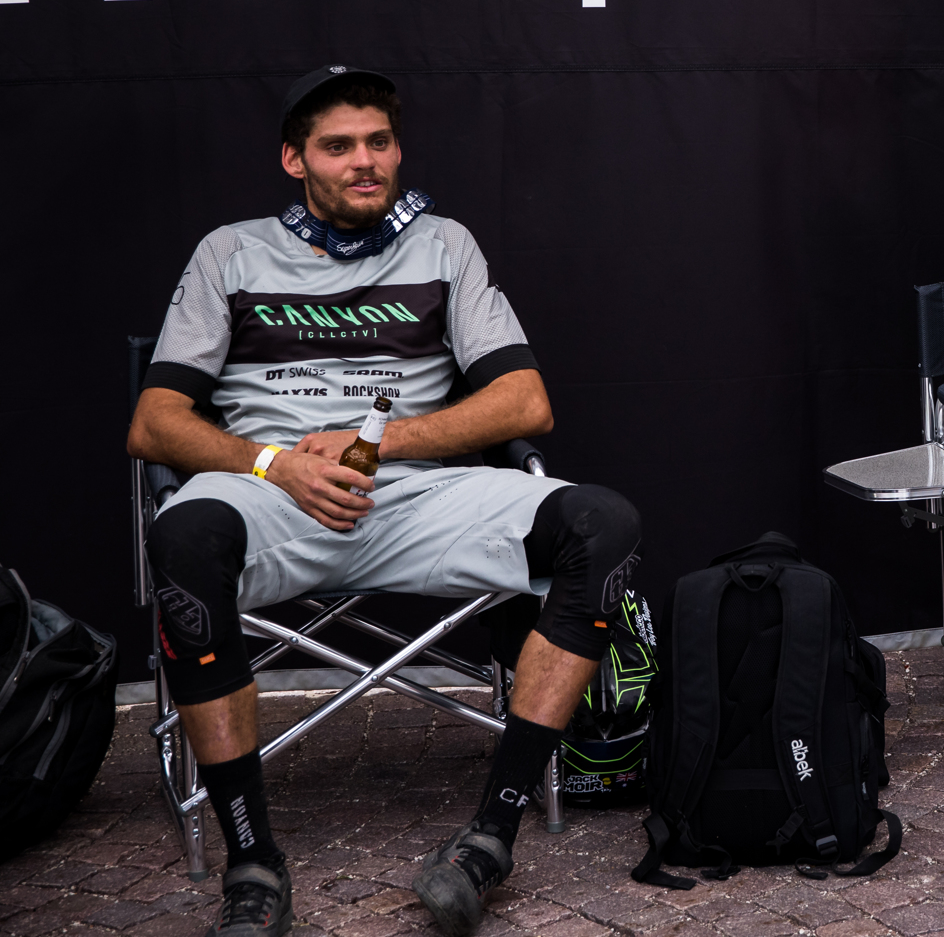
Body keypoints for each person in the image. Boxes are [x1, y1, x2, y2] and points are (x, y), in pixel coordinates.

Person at [128, 66, 642, 937]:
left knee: (603, 523)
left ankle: (490, 838)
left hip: (419, 498)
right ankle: (253, 863)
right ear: (294, 159)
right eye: (338, 147)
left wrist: (382, 442)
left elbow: (525, 404)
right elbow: (154, 421)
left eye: (379, 142)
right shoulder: (231, 252)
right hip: (272, 498)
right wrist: (272, 462)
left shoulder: (445, 244)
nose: (365, 162)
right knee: (183, 536)